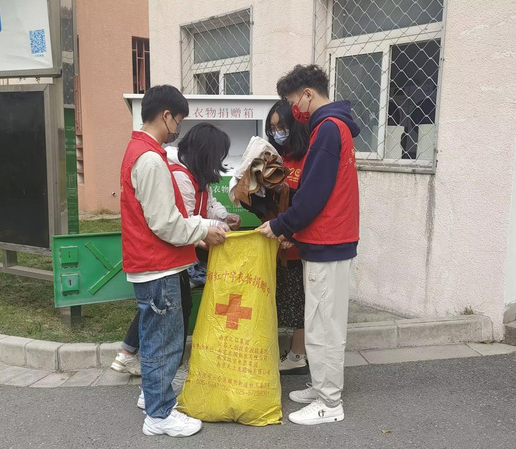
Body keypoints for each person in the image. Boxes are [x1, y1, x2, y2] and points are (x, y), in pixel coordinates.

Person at [120, 85, 227, 437]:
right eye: (178, 120)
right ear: (166, 115)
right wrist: (203, 231)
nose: (177, 128)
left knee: (156, 340)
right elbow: (165, 223)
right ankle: (160, 414)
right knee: (163, 344)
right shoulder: (151, 160)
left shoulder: (141, 151)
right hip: (158, 264)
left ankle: (154, 400)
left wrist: (200, 229)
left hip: (152, 263)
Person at [258, 65, 360, 426]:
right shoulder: (332, 127)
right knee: (319, 320)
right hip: (324, 239)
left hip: (328, 241)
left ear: (307, 94)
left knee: (324, 326)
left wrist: (281, 225)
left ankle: (329, 403)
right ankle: (320, 388)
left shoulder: (328, 128)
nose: (293, 110)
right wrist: (293, 229)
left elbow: (314, 193)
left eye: (292, 102)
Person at [112, 123, 241, 386]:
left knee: (159, 309)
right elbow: (180, 220)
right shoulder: (178, 176)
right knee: (165, 314)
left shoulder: (196, 176)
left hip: (177, 253)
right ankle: (161, 377)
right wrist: (208, 231)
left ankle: (139, 364)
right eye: (217, 155)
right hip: (169, 256)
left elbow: (208, 205)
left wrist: (223, 216)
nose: (219, 161)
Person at [264, 100, 310, 375]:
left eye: (281, 126)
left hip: (297, 244)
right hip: (278, 242)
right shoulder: (278, 157)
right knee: (288, 301)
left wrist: (293, 233)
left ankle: (298, 355)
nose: (277, 132)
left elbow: (308, 204)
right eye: (273, 128)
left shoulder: (307, 157)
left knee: (299, 302)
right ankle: (295, 352)